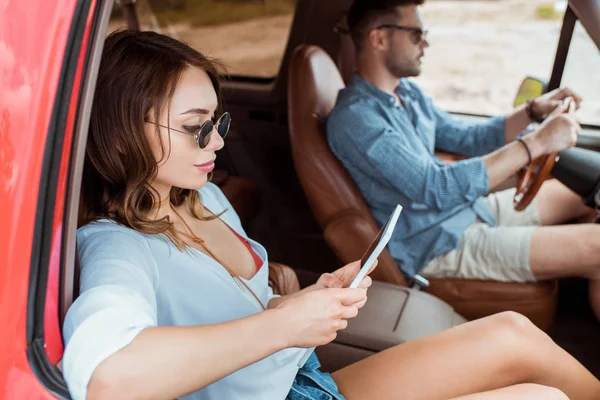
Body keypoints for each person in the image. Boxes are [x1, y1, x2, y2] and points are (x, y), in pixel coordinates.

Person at [62, 29, 600, 400]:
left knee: (512, 332)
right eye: (195, 125)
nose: (216, 142)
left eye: (218, 122)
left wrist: (300, 301)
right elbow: (107, 376)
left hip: (302, 378)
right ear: (123, 129)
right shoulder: (117, 244)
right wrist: (283, 323)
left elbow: (236, 308)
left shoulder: (204, 197)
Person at [326, 0, 600, 320]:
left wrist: (532, 111)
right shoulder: (356, 119)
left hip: (470, 210)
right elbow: (435, 187)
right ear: (379, 39)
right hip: (438, 244)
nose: (425, 42)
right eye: (416, 34)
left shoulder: (407, 94)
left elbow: (469, 137)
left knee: (584, 192)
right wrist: (536, 142)